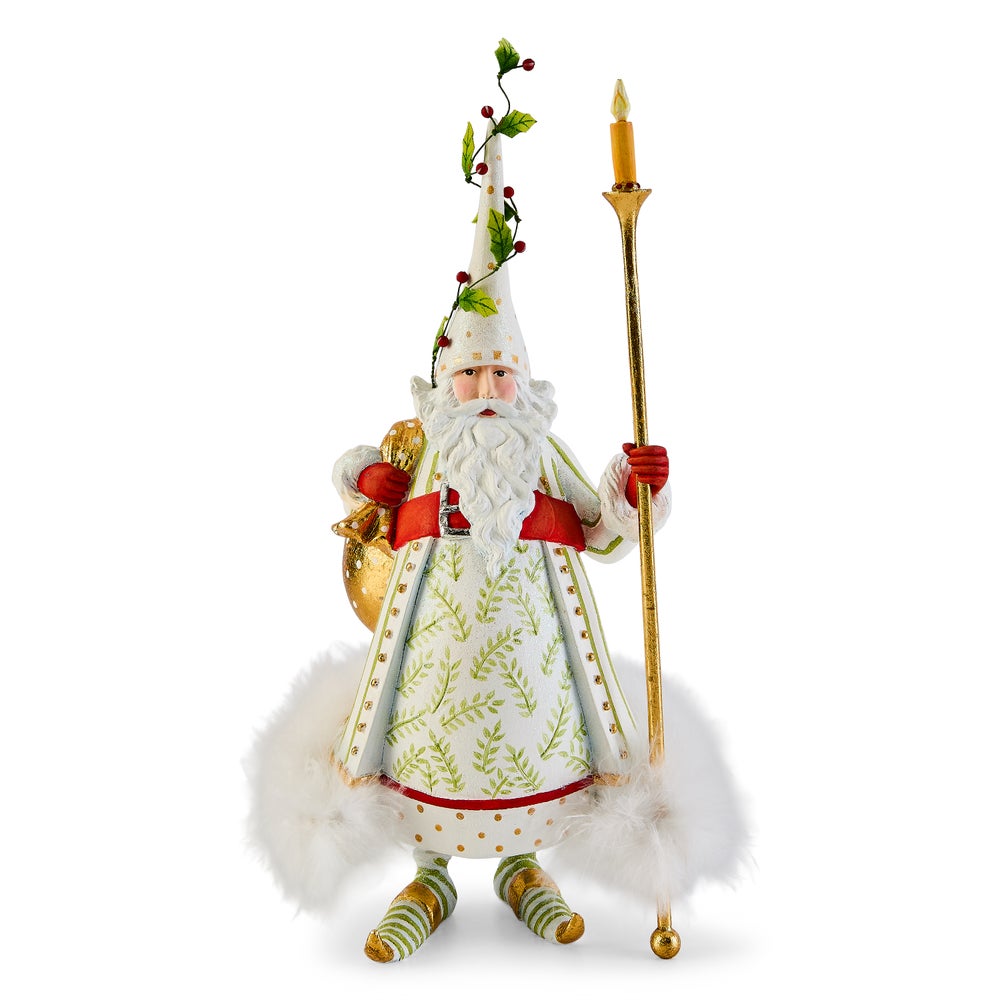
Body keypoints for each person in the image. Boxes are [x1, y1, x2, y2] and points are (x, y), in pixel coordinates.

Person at [328, 130, 669, 961]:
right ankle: (429, 878)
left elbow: (602, 530)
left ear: (524, 382)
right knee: (428, 746)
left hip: (534, 653)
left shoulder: (541, 451)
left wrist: (635, 490)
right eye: (471, 376)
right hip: (430, 653)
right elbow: (355, 474)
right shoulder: (427, 445)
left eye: (499, 375)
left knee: (526, 744)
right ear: (444, 385)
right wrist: (366, 477)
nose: (485, 390)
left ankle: (523, 867)